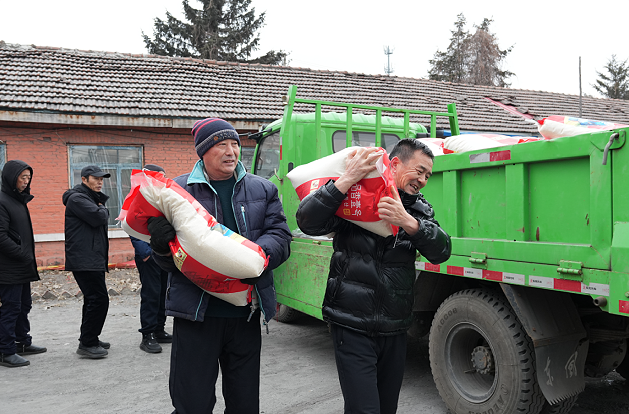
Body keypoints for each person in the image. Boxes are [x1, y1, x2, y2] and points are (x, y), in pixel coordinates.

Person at [296, 139, 452, 414]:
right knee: (363, 409)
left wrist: (408, 222)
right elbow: (307, 221)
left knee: (387, 407)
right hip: (351, 323)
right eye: (419, 171)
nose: (423, 180)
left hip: (395, 326)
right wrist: (346, 180)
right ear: (395, 163)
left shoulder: (419, 210)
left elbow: (442, 251)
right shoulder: (354, 197)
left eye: (428, 175)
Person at [148, 118, 291, 413]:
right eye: (221, 144)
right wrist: (160, 246)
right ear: (203, 151)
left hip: (245, 313)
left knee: (244, 403)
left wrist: (256, 258)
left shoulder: (263, 189)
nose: (231, 151)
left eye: (235, 144)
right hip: (197, 314)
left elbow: (280, 235)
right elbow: (168, 262)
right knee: (192, 403)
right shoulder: (177, 191)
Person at [0, 160, 47, 368]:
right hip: (9, 268)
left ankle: (22, 342)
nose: (26, 182)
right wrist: (22, 254)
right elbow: (1, 236)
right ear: (12, 178)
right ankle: (5, 351)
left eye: (28, 178)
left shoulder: (17, 200)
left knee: (23, 306)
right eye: (22, 177)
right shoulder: (2, 201)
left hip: (22, 266)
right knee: (11, 308)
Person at [62, 165, 111, 359]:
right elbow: (99, 217)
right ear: (84, 179)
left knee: (92, 299)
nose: (100, 182)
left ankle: (90, 337)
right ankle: (88, 343)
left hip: (91, 257)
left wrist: (100, 205)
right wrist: (102, 208)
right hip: (85, 259)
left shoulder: (89, 198)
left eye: (102, 179)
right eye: (96, 178)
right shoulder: (77, 199)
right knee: (99, 299)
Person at [130, 164, 172, 353]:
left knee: (163, 293)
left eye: (164, 176)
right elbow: (130, 225)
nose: (162, 180)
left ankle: (159, 329)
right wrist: (146, 254)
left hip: (164, 254)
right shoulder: (138, 196)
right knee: (151, 294)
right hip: (149, 256)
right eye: (158, 176)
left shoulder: (162, 196)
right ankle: (147, 334)